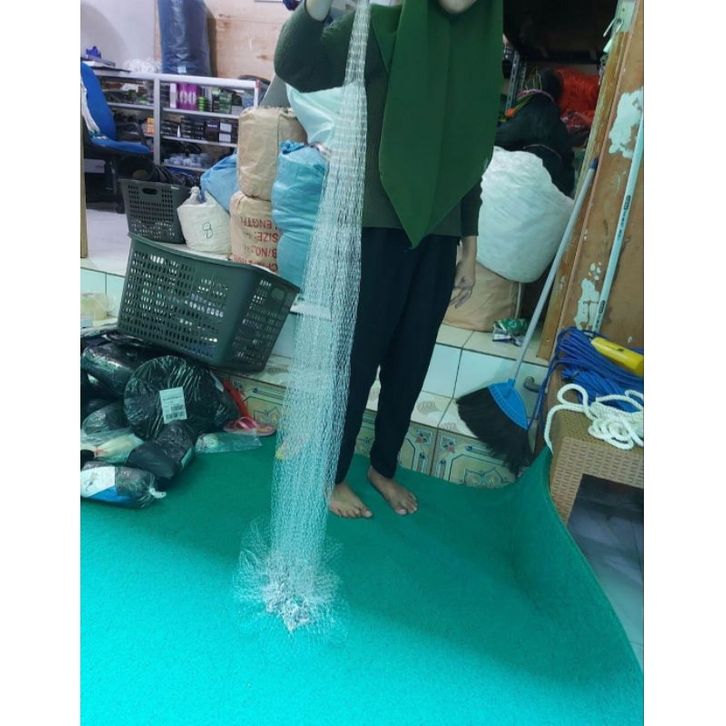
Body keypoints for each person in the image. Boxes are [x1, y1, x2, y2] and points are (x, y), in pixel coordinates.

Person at [274, 0, 502, 518]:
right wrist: (314, 7)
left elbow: (466, 159)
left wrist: (469, 247)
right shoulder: (383, 27)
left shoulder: (477, 53)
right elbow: (298, 68)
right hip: (375, 227)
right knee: (355, 361)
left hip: (438, 237)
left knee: (410, 364)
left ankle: (383, 467)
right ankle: (332, 474)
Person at [495, 69, 575, 196]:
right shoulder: (556, 120)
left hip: (531, 186)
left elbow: (501, 137)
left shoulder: (535, 110)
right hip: (556, 191)